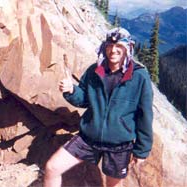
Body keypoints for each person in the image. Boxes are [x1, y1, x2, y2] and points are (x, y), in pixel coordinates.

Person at [44, 27, 153, 187]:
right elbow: (83, 99)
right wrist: (71, 90)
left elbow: (145, 115)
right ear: (105, 47)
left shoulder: (139, 76)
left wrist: (142, 150)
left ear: (128, 48)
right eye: (110, 45)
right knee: (52, 168)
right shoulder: (95, 70)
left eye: (119, 47)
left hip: (119, 145)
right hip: (88, 138)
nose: (113, 50)